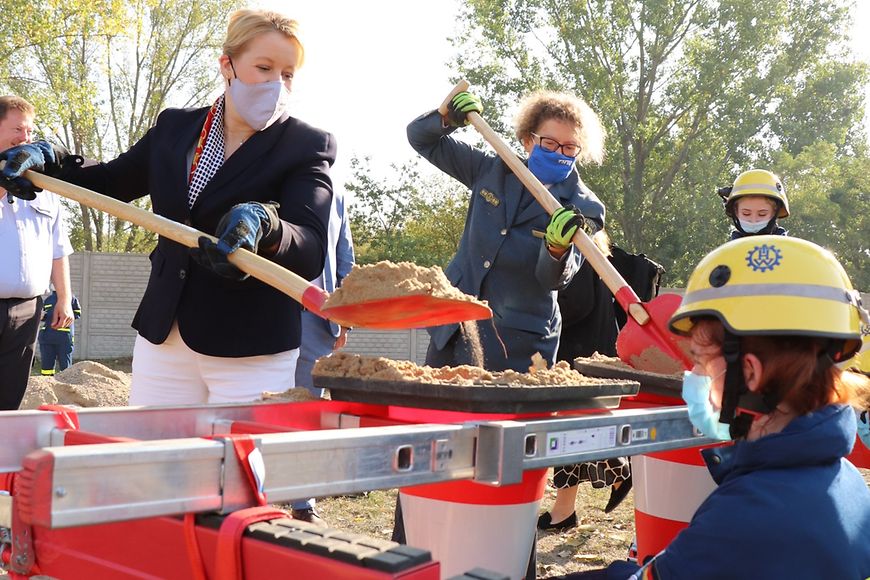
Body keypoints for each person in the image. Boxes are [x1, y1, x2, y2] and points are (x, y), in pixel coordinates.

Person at [0, 10, 334, 523]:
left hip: (249, 345)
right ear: (228, 65)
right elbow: (110, 180)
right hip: (165, 333)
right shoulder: (178, 129)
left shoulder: (305, 142)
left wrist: (266, 226)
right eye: (264, 68)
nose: (276, 83)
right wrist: (53, 162)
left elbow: (308, 242)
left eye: (288, 73)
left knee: (233, 495)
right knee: (149, 481)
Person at [578, 235, 870, 579]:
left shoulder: (746, 517)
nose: (693, 374)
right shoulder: (847, 483)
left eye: (701, 361)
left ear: (749, 374)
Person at [410, 89, 606, 372]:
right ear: (528, 140)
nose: (559, 153)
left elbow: (553, 279)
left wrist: (556, 249)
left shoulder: (583, 207)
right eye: (549, 143)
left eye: (569, 147)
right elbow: (421, 139)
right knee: (436, 410)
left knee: (497, 416)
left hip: (518, 342)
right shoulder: (491, 170)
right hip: (453, 324)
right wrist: (446, 117)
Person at [538, 240, 664, 530]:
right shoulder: (592, 248)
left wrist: (539, 305)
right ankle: (569, 507)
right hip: (590, 350)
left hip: (582, 354)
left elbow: (578, 303)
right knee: (576, 431)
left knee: (572, 432)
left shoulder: (577, 248)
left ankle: (617, 471)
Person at [0, 95, 74, 410]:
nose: (25, 139)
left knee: (10, 398)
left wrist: (63, 297)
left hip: (28, 310)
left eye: (30, 132)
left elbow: (58, 247)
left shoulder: (43, 186)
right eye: (18, 129)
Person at [295, 187, 354, 398]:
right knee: (263, 404)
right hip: (269, 315)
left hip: (318, 321)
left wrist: (345, 322)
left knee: (307, 409)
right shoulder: (268, 176)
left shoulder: (336, 195)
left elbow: (345, 262)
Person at [716, 169, 788, 239]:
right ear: (735, 212)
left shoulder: (790, 249)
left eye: (762, 214)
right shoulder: (728, 250)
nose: (753, 220)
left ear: (774, 212)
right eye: (746, 213)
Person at [38, 287, 82, 375]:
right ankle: (47, 383)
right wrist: (42, 316)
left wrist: (63, 316)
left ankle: (65, 383)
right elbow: (44, 317)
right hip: (48, 336)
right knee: (47, 363)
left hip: (64, 337)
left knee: (65, 364)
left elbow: (77, 314)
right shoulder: (48, 300)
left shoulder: (71, 299)